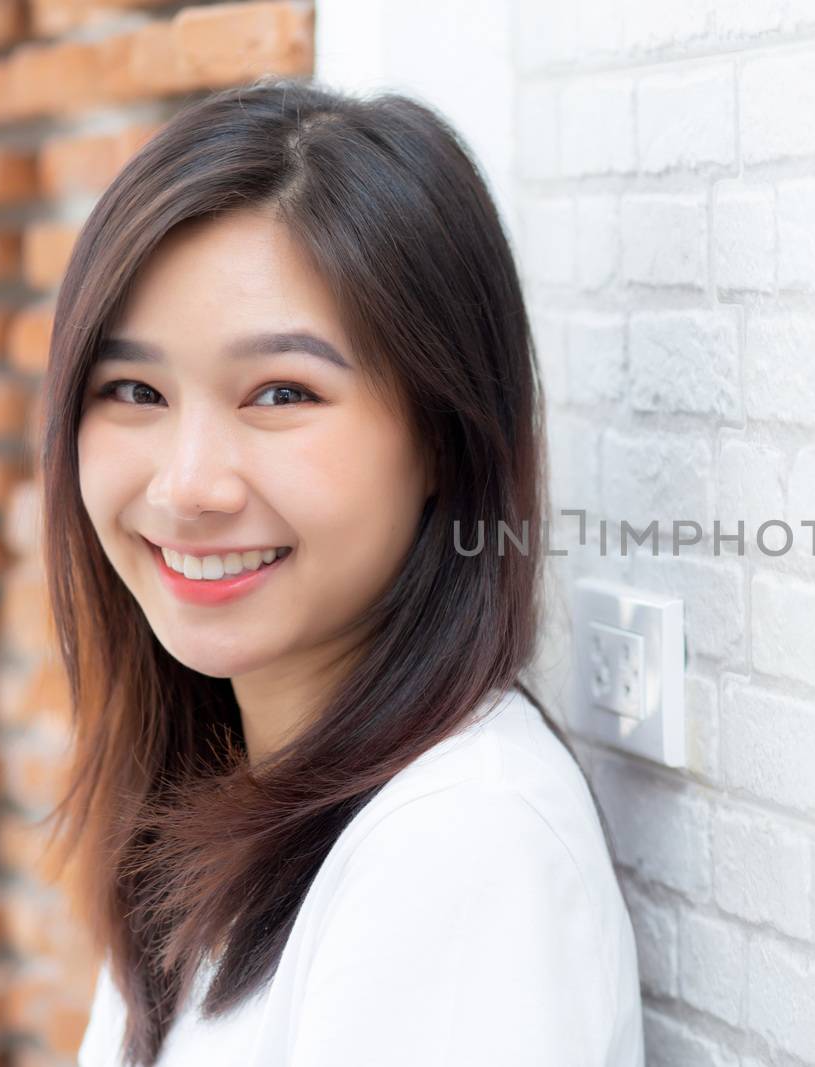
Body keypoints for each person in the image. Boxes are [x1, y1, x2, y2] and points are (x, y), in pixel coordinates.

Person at [37, 76, 644, 1066]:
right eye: (134, 388)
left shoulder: (457, 847)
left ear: (445, 437)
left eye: (281, 391)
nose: (188, 485)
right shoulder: (212, 810)